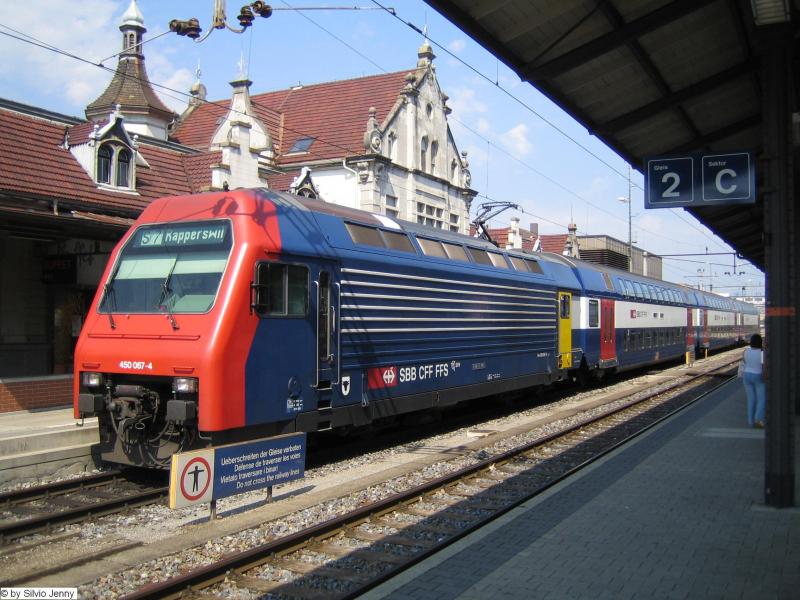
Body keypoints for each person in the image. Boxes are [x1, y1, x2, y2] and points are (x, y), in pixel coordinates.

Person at [741, 334, 765, 428]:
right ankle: (758, 418)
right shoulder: (762, 353)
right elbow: (763, 366)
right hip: (758, 376)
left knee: (751, 400)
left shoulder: (745, 351)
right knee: (762, 399)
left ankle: (750, 421)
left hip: (746, 376)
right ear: (760, 342)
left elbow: (744, 362)